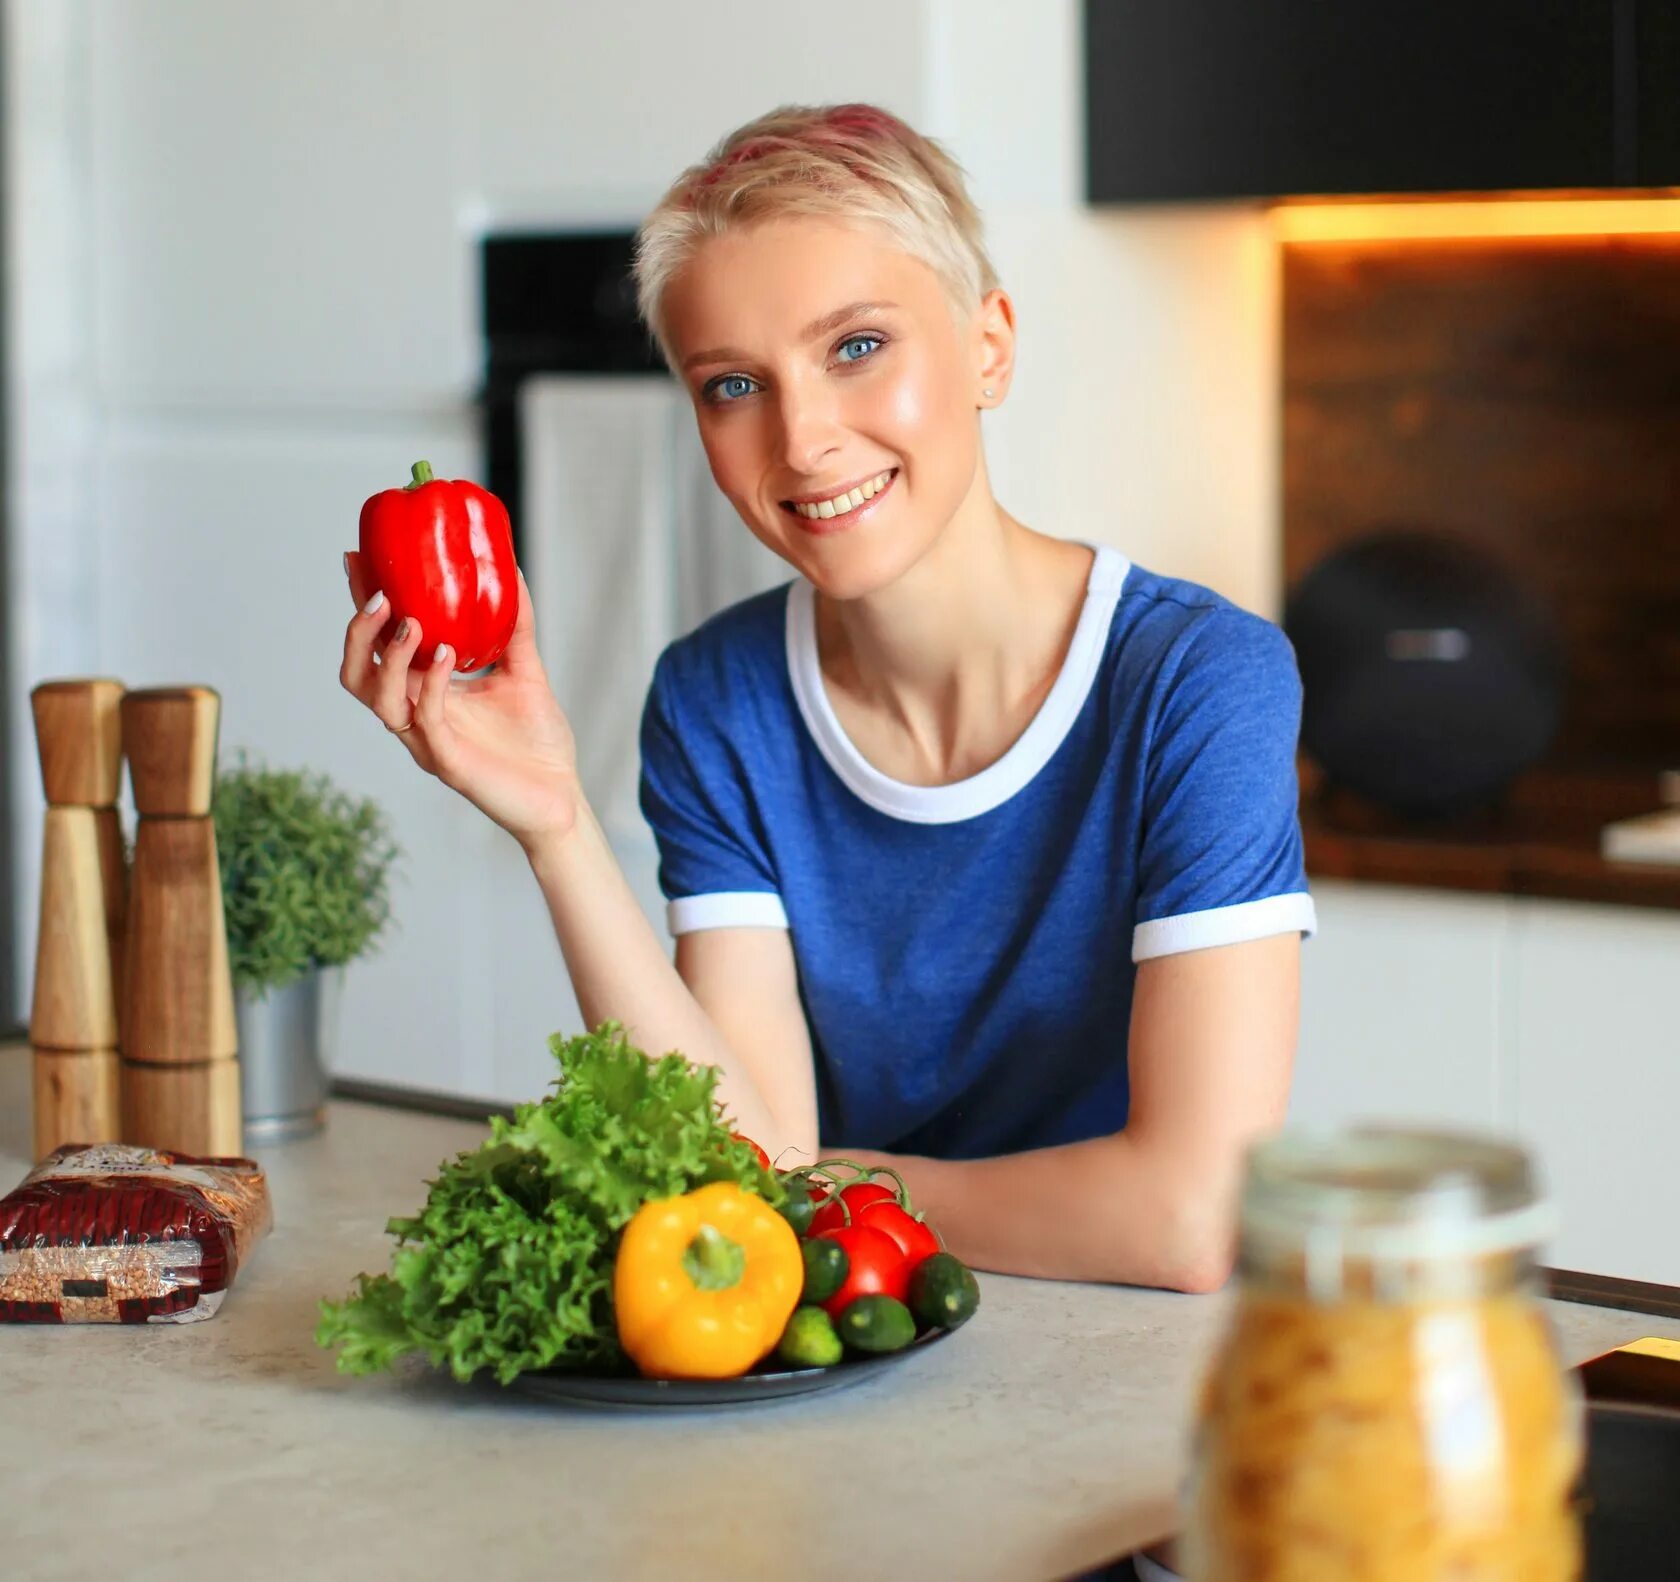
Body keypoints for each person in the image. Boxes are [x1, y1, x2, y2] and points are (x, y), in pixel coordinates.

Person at [339, 102, 1316, 1296]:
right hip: (837, 1355)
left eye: (856, 347)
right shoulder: (717, 701)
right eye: (733, 384)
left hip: (1116, 1370)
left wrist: (821, 1180)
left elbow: (1188, 1221)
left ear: (989, 346)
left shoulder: (1196, 682)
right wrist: (556, 826)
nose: (801, 440)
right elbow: (729, 1174)